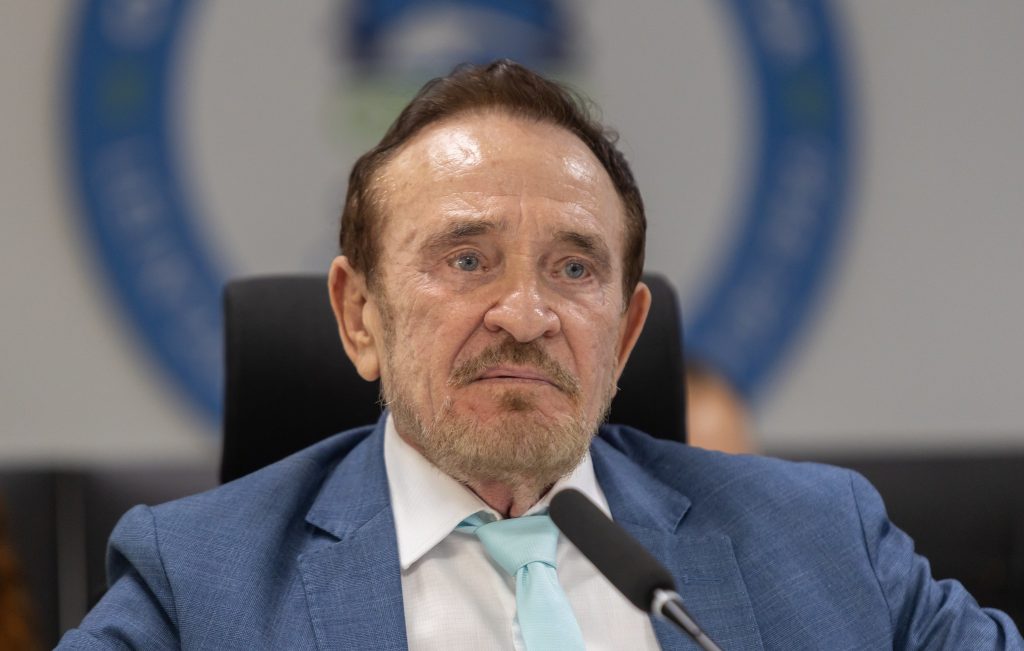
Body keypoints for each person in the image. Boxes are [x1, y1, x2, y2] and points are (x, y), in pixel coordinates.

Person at [59, 60, 1021, 650]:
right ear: (359, 317)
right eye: (466, 259)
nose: (525, 315)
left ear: (626, 335)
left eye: (573, 268)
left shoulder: (822, 543)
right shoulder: (199, 584)